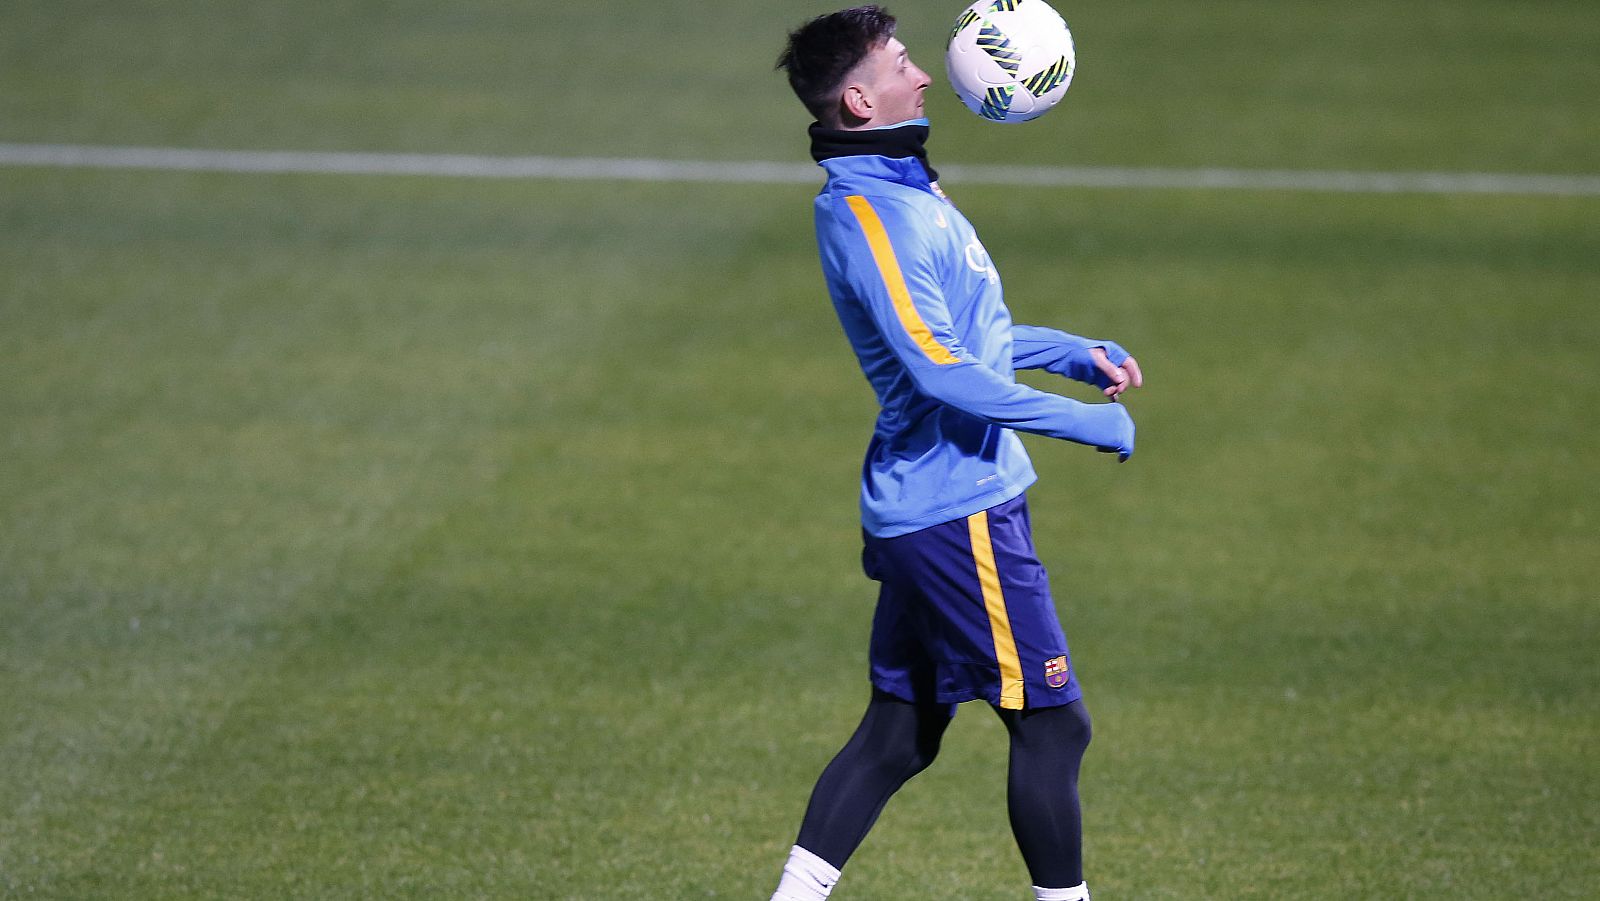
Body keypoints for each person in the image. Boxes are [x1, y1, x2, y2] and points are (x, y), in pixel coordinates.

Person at [766, 7, 1143, 901]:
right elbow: (938, 371)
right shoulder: (868, 212)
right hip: (955, 511)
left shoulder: (902, 187)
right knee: (1054, 728)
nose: (925, 75)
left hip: (937, 504)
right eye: (901, 63)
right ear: (860, 98)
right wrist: (1083, 421)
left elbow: (974, 335)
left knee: (901, 728)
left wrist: (1069, 353)